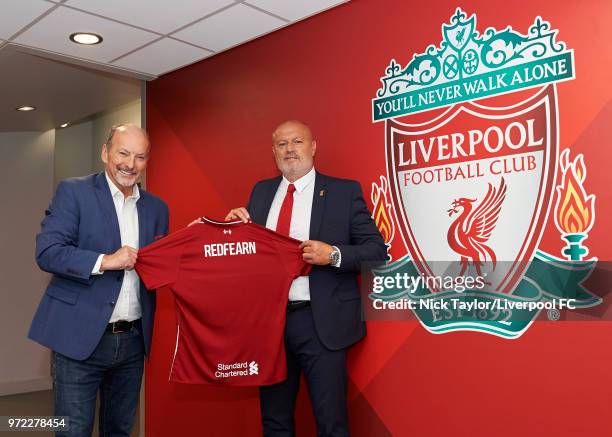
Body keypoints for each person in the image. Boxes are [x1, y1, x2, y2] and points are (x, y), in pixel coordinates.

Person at [225, 120, 386, 436]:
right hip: (269, 325)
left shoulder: (343, 191)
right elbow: (251, 254)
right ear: (273, 152)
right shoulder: (261, 192)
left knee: (331, 421)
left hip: (320, 322)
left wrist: (334, 254)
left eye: (297, 141)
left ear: (313, 147)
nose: (289, 150)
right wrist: (232, 227)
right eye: (282, 144)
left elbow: (376, 251)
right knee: (274, 421)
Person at [29, 124, 169, 437]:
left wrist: (203, 233)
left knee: (119, 430)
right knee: (73, 431)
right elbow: (48, 252)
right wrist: (106, 261)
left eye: (140, 157)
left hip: (133, 341)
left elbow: (164, 263)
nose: (130, 164)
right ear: (105, 153)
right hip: (78, 338)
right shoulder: (74, 191)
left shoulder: (157, 208)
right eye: (123, 152)